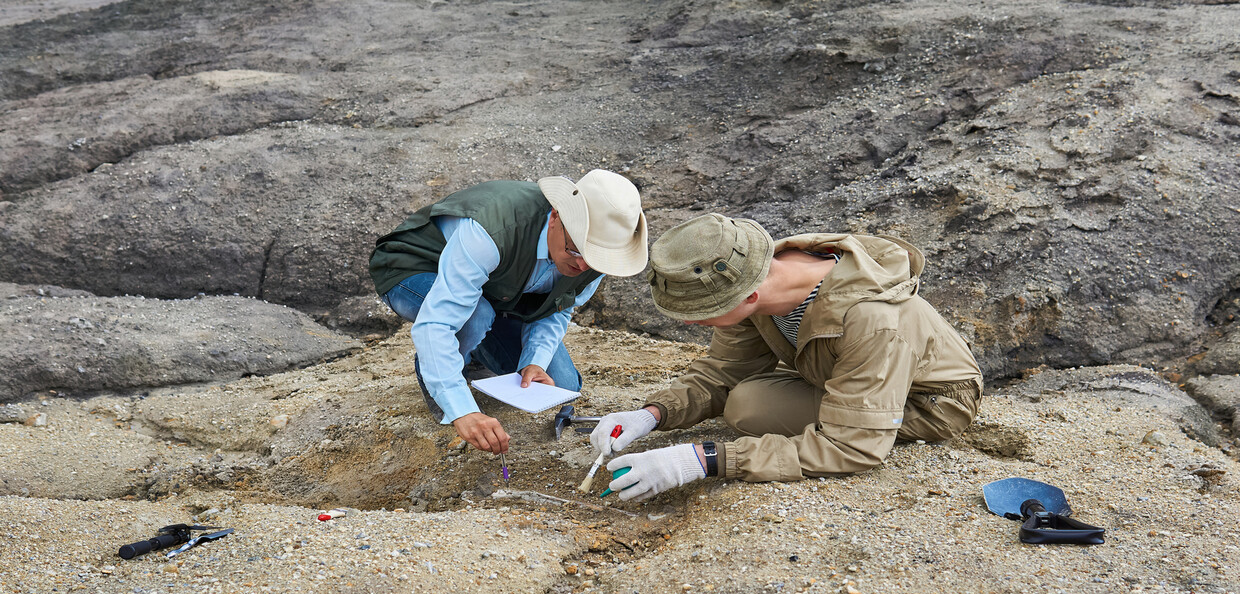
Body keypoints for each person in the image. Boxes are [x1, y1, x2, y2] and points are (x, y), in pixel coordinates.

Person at [591, 213, 982, 502]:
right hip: (831, 374)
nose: (693, 324)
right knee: (745, 396)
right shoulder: (754, 273)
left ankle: (875, 418)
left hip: (928, 401)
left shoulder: (873, 320)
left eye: (698, 314)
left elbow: (852, 447)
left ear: (746, 297)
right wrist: (651, 415)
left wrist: (700, 459)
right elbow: (724, 370)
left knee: (747, 409)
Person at [370, 169, 647, 454]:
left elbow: (556, 307)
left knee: (561, 385)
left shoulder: (594, 259)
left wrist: (535, 362)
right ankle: (444, 367)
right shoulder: (491, 231)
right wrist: (462, 410)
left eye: (596, 259)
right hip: (413, 268)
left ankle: (471, 349)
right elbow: (436, 323)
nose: (583, 267)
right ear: (556, 218)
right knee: (475, 315)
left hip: (495, 291)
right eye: (576, 251)